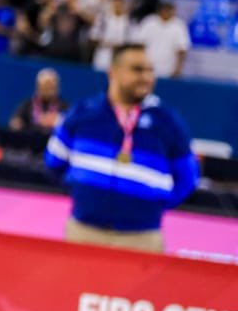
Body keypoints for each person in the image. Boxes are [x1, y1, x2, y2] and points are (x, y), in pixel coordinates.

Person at [45, 44, 198, 253]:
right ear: (113, 72)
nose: (146, 77)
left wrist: (153, 207)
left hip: (143, 238)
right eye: (137, 69)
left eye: (150, 70)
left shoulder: (167, 122)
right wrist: (83, 192)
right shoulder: (82, 113)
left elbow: (188, 178)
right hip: (84, 232)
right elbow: (54, 161)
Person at [131, 0, 190, 79]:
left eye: (170, 9)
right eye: (165, 9)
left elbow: (182, 49)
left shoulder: (179, 25)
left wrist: (177, 68)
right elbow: (140, 45)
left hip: (168, 70)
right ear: (160, 10)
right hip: (148, 68)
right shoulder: (149, 22)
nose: (168, 12)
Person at [9, 68, 68, 133]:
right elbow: (15, 121)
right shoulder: (28, 104)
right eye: (47, 86)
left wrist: (58, 120)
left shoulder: (64, 106)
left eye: (53, 86)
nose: (50, 89)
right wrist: (17, 124)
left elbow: (69, 126)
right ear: (38, 86)